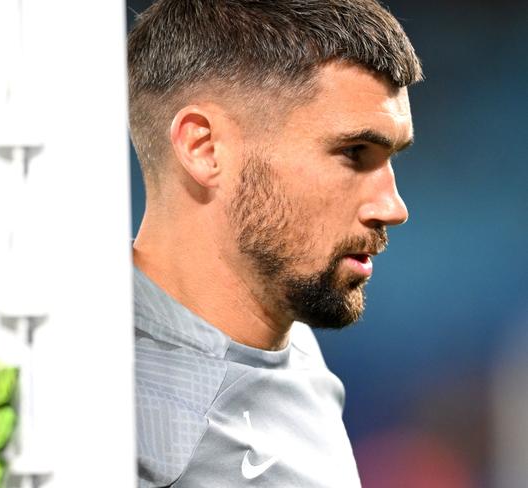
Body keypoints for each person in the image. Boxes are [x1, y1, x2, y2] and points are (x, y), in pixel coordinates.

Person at [128, 0, 422, 486]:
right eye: (354, 153)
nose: (393, 207)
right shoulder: (88, 398)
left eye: (390, 158)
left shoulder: (292, 336)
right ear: (205, 149)